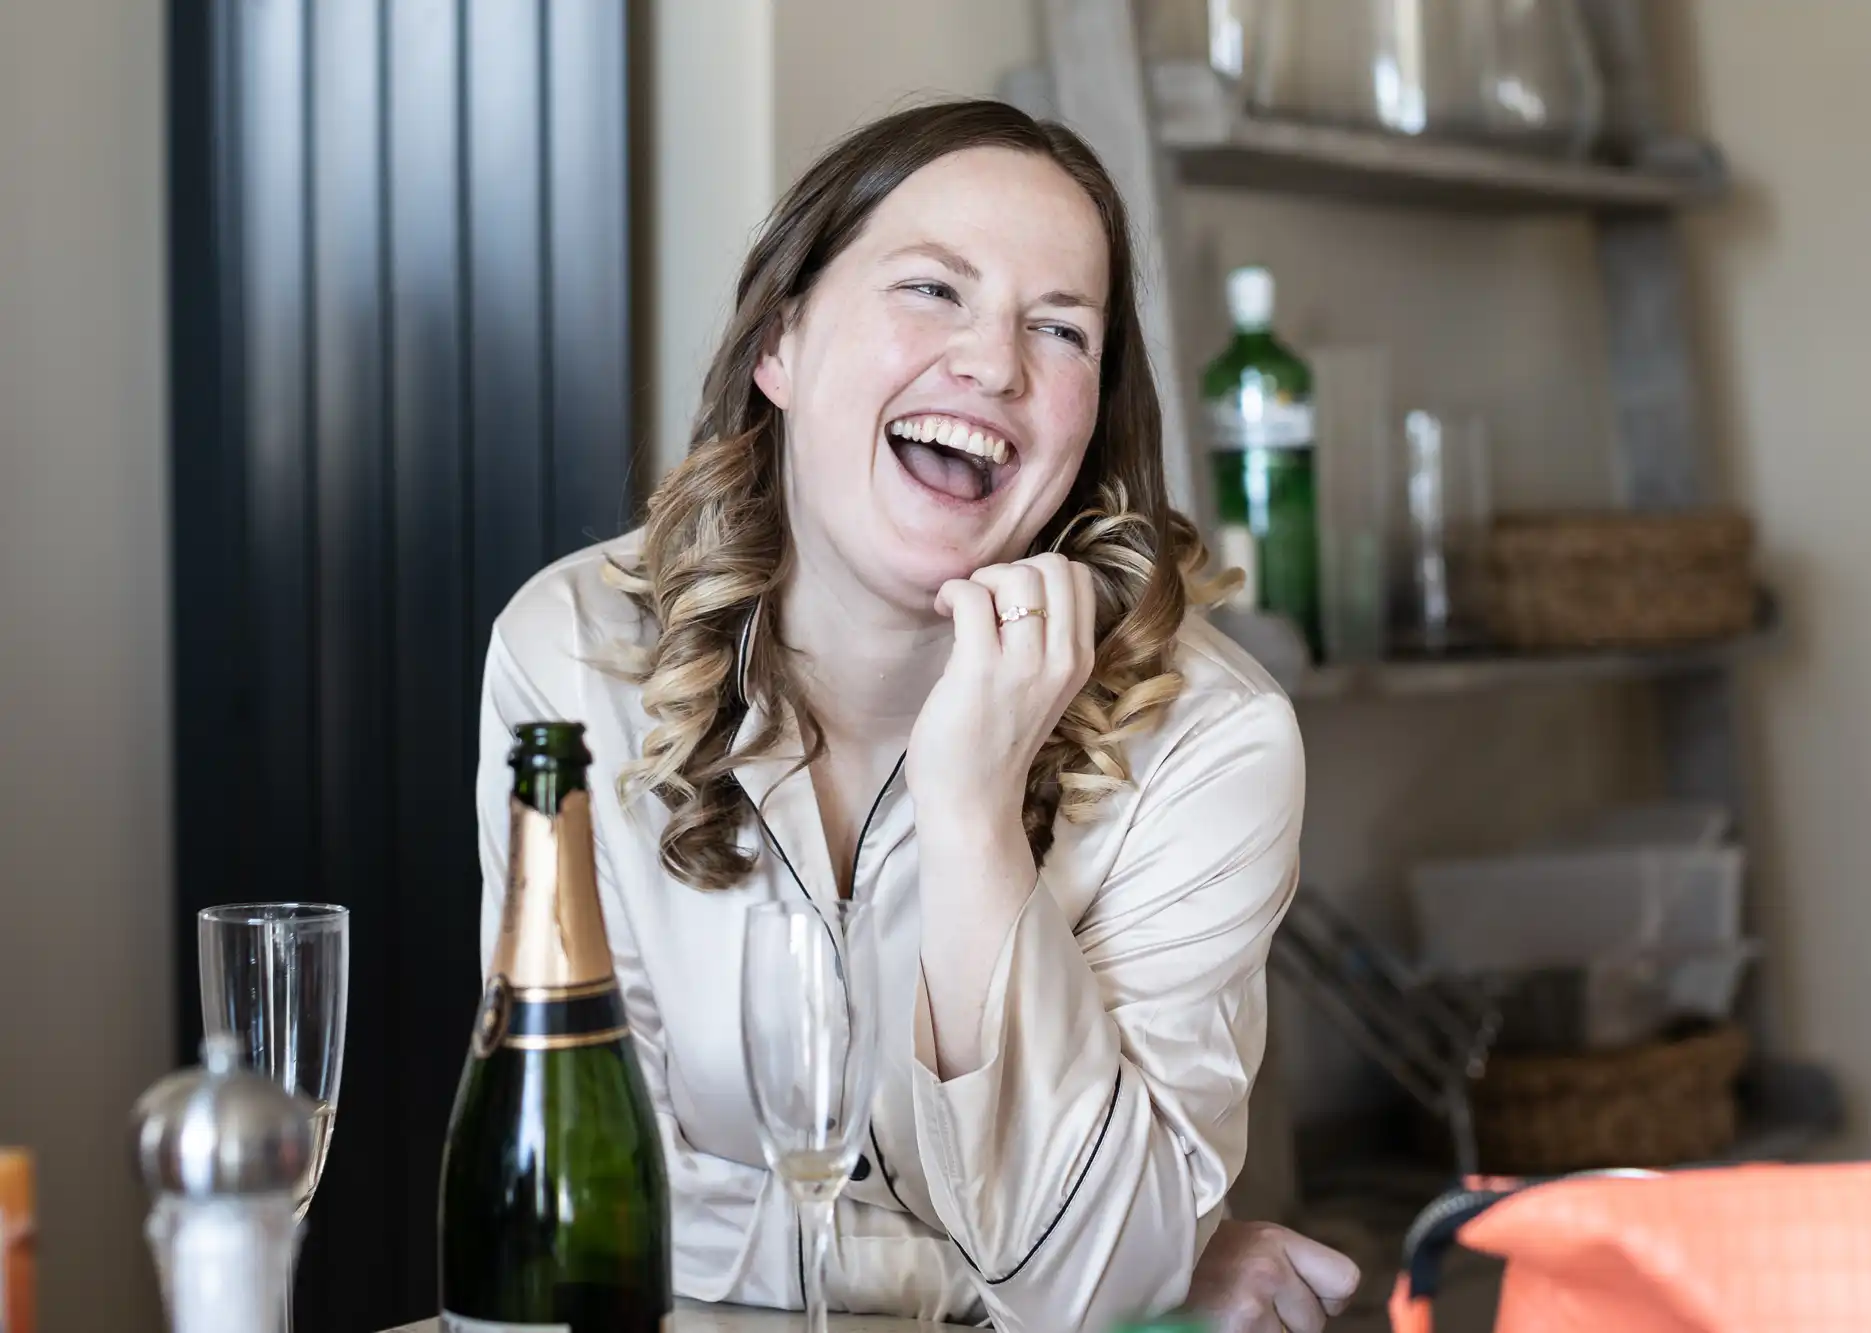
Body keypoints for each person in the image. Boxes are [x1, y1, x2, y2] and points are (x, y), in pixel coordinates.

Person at [475, 98, 1358, 1332]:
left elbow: (1096, 1285)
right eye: (934, 290)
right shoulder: (573, 658)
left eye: (1059, 328)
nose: (994, 362)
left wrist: (973, 812)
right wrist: (1085, 1265)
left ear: (1089, 418)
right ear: (778, 344)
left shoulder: (1209, 742)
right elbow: (597, 1197)